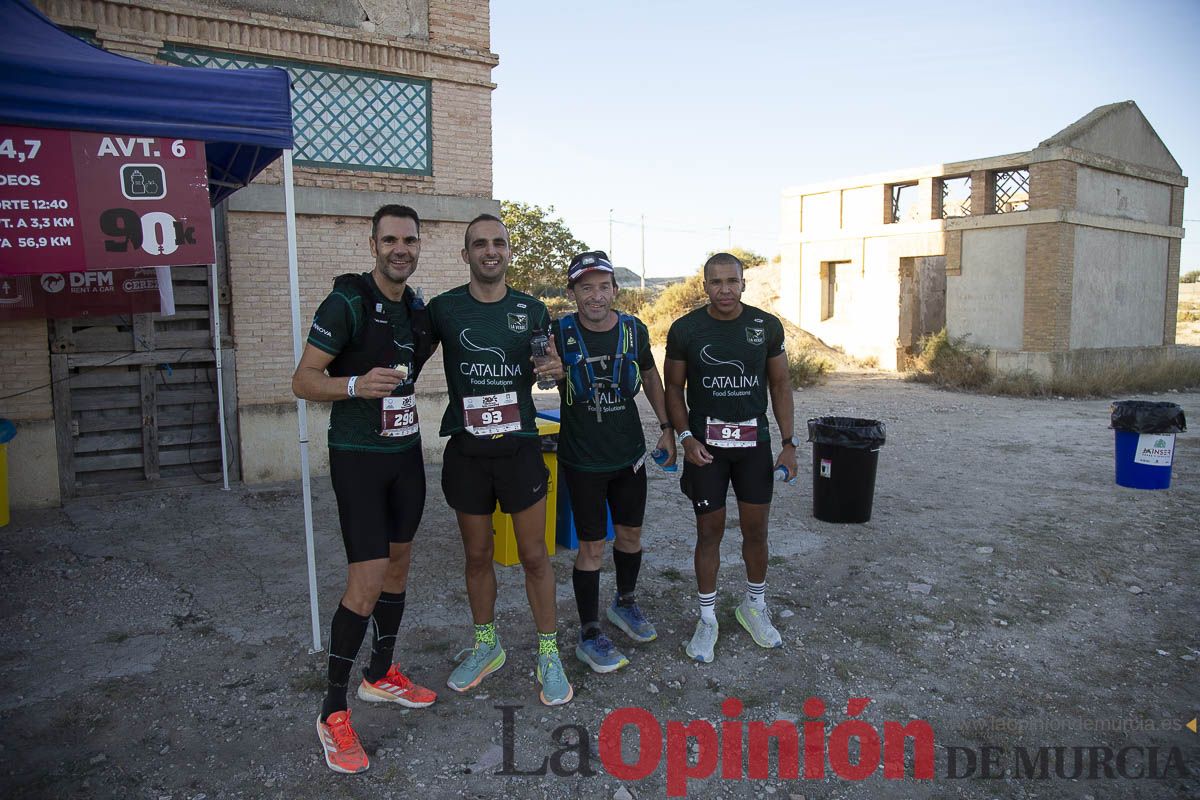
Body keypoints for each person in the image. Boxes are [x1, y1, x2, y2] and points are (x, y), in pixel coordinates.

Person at [292, 204, 438, 774]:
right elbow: (303, 380)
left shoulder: (417, 311)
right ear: (373, 244)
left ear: (419, 246)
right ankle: (332, 711)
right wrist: (354, 384)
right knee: (367, 580)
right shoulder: (347, 301)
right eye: (390, 240)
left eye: (410, 240)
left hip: (406, 455)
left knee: (399, 567)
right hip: (358, 458)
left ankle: (380, 675)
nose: (401, 249)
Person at [426, 214, 573, 705]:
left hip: (519, 448)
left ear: (509, 252)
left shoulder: (532, 310)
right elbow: (404, 351)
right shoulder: (444, 309)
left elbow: (549, 368)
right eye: (480, 244)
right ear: (465, 254)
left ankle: (548, 653)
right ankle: (487, 646)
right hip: (467, 451)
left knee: (534, 556)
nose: (490, 251)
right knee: (477, 556)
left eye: (499, 243)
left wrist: (556, 369)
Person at [663, 252, 799, 664]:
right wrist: (685, 437)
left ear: (743, 283)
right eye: (716, 282)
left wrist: (789, 443)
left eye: (732, 281)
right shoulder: (686, 329)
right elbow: (673, 389)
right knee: (710, 532)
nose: (725, 289)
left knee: (756, 531)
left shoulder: (765, 326)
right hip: (706, 449)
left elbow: (780, 384)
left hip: (753, 446)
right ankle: (707, 619)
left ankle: (754, 606)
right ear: (704, 285)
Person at [554, 251, 675, 673]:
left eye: (603, 286)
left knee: (630, 535)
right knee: (591, 547)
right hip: (583, 460)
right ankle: (589, 632)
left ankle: (625, 603)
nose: (596, 295)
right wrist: (546, 370)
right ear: (573, 293)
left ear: (615, 290)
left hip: (628, 456)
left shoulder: (634, 330)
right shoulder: (559, 333)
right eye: (586, 287)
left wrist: (667, 427)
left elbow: (650, 376)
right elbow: (537, 371)